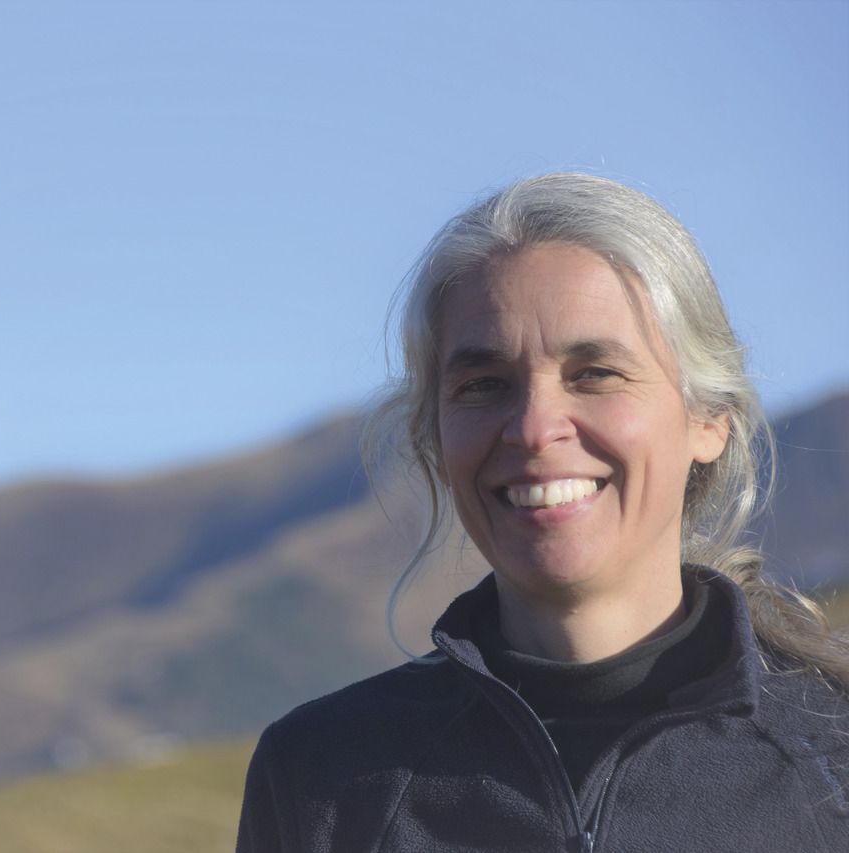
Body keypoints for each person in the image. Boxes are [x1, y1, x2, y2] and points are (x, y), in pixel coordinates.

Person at [235, 174, 849, 852]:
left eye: (595, 374)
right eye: (483, 384)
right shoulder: (320, 776)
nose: (533, 428)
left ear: (709, 416)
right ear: (434, 436)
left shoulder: (833, 759)